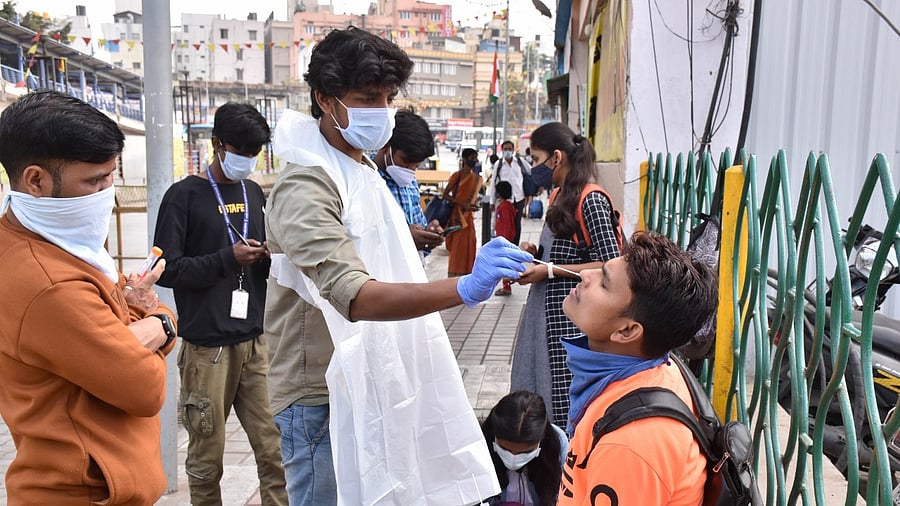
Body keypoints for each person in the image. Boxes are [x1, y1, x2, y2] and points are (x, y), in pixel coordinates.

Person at [263, 26, 532, 505]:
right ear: (326, 100)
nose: (382, 112)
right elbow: (356, 295)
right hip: (320, 392)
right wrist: (465, 287)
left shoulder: (358, 165)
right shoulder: (306, 183)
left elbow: (371, 242)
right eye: (367, 97)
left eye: (388, 98)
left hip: (373, 371)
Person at [0, 90, 176, 504]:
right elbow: (145, 389)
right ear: (36, 180)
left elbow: (118, 319)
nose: (107, 193)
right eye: (95, 180)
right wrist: (162, 322)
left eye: (112, 176)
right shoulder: (49, 283)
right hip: (85, 492)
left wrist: (132, 319)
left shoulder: (47, 242)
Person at [153, 102, 287, 505]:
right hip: (207, 347)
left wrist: (264, 256)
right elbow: (169, 269)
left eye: (254, 152)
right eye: (240, 150)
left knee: (274, 450)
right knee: (207, 458)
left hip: (254, 343)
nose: (247, 159)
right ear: (216, 144)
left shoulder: (252, 192)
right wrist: (228, 258)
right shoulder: (184, 197)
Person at [558, 232, 716, 505]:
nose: (586, 276)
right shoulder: (653, 367)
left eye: (604, 283)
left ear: (628, 330)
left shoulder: (632, 443)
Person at [511, 122, 622, 428]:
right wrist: (537, 253)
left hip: (571, 326)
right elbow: (568, 253)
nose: (534, 168)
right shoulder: (559, 195)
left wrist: (547, 269)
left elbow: (611, 265)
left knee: (564, 408)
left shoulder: (591, 200)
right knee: (542, 396)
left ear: (556, 157)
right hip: (547, 319)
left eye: (535, 159)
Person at [373, 109, 444, 252]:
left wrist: (428, 233)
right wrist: (403, 240)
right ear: (386, 146)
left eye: (416, 165)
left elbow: (417, 228)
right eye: (406, 161)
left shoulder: (410, 183)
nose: (410, 170)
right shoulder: (367, 179)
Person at [481, 391, 568, 506]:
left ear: (541, 441)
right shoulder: (479, 447)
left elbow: (566, 495)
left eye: (525, 452)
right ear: (494, 435)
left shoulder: (557, 443)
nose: (513, 458)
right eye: (505, 449)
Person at [443, 147, 483, 277]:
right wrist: (463, 204)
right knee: (457, 248)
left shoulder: (476, 178)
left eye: (475, 158)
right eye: (472, 158)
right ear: (464, 160)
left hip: (468, 218)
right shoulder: (457, 176)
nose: (474, 160)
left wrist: (472, 206)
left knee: (470, 246)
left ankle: (468, 275)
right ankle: (454, 276)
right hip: (457, 217)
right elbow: (445, 195)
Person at [489, 140, 528, 244]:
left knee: (517, 224)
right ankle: (506, 245)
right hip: (505, 200)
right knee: (505, 224)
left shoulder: (519, 162)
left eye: (509, 149)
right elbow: (493, 182)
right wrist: (492, 201)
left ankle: (515, 246)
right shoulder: (499, 164)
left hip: (519, 198)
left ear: (513, 150)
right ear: (502, 150)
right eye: (505, 149)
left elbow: (531, 171)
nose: (508, 151)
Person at [494, 180, 517, 296]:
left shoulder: (505, 207)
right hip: (502, 239)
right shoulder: (504, 206)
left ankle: (506, 288)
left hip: (505, 240)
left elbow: (507, 225)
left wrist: (504, 241)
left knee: (505, 265)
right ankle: (505, 286)